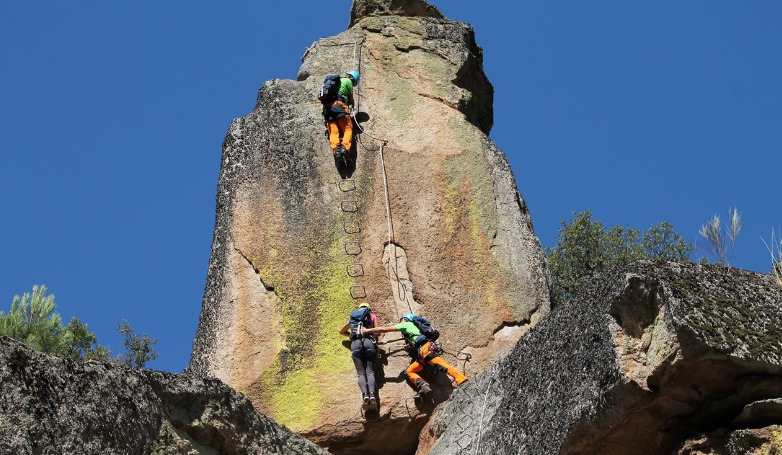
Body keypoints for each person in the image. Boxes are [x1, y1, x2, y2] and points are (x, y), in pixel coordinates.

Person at [362, 313, 467, 395]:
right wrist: (411, 346)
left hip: (426, 349)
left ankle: (461, 380)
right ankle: (423, 386)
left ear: (406, 319)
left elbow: (384, 329)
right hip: (422, 353)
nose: (400, 322)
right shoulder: (414, 330)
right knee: (409, 371)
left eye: (401, 319)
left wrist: (367, 330)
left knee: (442, 366)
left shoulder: (407, 324)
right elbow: (416, 339)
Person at [339, 302, 378, 410]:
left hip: (355, 344)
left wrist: (351, 335)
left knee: (361, 373)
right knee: (370, 371)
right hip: (369, 343)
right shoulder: (372, 316)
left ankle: (365, 395)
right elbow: (378, 332)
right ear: (368, 309)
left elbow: (341, 331)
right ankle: (372, 395)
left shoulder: (353, 317)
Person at [323, 71, 359, 165]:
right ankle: (345, 148)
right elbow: (350, 99)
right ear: (353, 79)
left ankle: (336, 151)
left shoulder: (334, 83)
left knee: (333, 131)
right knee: (348, 128)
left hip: (327, 109)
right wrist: (351, 103)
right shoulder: (348, 81)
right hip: (339, 106)